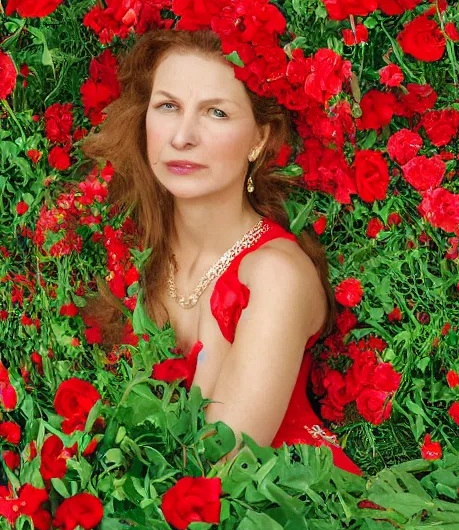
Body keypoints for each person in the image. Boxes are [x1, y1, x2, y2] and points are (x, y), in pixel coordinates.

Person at [79, 28, 363, 477]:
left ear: (258, 139)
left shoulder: (274, 274)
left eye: (215, 112)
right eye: (168, 106)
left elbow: (224, 468)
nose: (182, 136)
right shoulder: (136, 254)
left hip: (281, 522)